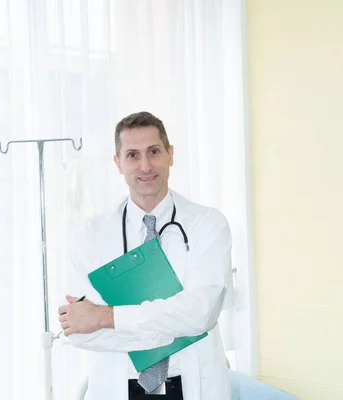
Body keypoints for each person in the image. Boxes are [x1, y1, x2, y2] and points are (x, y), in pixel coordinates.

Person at [58, 111, 233, 400]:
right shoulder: (89, 234)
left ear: (170, 154)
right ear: (118, 163)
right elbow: (78, 330)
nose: (145, 166)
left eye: (153, 152)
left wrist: (105, 316)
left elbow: (200, 314)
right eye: (132, 155)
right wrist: (176, 324)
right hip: (116, 385)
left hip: (194, 383)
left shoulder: (208, 224)